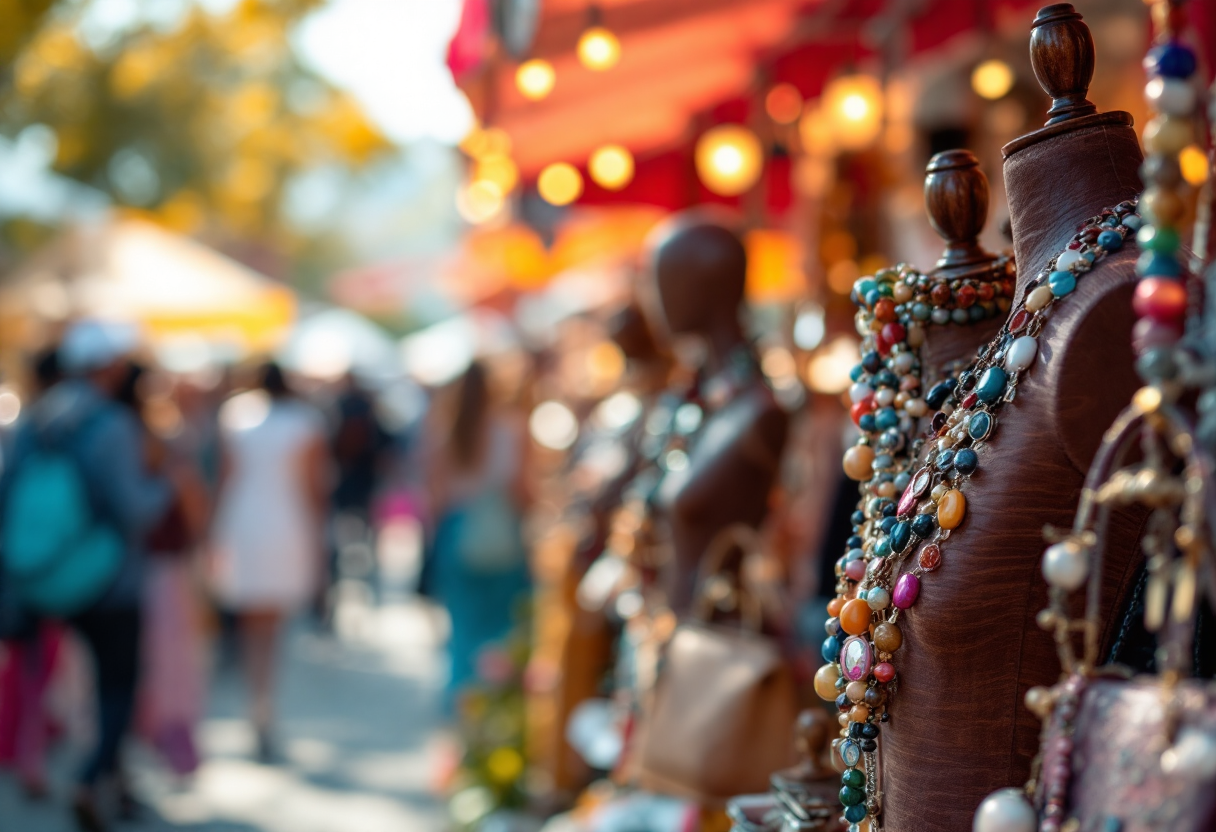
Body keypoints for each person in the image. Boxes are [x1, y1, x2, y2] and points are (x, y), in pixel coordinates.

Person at [0, 321, 174, 832]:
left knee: (39, 676)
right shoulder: (113, 423)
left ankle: (49, 768)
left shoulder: (36, 417)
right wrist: (165, 484)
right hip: (107, 578)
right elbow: (133, 510)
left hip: (40, 572)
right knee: (117, 685)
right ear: (110, 366)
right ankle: (92, 776)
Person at [209, 362, 329, 761]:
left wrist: (212, 532)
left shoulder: (237, 416)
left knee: (251, 626)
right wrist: (319, 539)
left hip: (244, 521)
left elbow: (225, 478)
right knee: (272, 628)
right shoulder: (304, 421)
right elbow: (314, 486)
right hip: (285, 524)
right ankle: (264, 708)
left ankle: (257, 706)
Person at [423, 360, 531, 714]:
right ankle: (490, 708)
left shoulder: (445, 430)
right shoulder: (510, 430)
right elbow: (521, 490)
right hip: (500, 530)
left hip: (457, 531)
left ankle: (460, 700)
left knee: (462, 625)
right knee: (499, 625)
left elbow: (435, 496)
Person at [0, 346, 66, 800]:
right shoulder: (41, 428)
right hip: (41, 560)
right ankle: (28, 747)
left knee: (24, 658)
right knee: (37, 659)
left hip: (20, 558)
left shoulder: (23, 424)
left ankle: (21, 740)